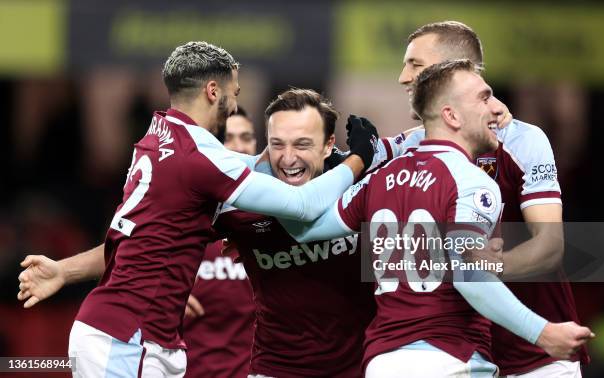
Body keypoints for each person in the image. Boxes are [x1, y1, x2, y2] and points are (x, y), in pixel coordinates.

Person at [17, 41, 378, 377]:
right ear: (212, 91)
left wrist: (64, 270)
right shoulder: (200, 158)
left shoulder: (156, 139)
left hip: (123, 332)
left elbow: (133, 239)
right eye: (234, 93)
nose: (235, 104)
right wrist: (360, 156)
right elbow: (302, 205)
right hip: (133, 337)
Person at [281, 60, 593, 377]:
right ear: (451, 116)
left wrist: (351, 164)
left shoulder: (380, 178)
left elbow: (305, 227)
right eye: (484, 99)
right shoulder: (472, 182)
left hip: (384, 362)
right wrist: (543, 332)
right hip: (450, 359)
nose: (496, 109)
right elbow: (470, 277)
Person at [377, 21, 588, 376]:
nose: (402, 77)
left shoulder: (522, 141)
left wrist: (485, 266)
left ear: (457, 71)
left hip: (534, 357)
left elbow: (550, 246)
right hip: (456, 355)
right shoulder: (404, 149)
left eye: (414, 64)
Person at [214, 88, 377, 376]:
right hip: (276, 369)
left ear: (328, 145)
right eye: (277, 144)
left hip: (360, 367)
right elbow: (147, 241)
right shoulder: (238, 201)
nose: (288, 159)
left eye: (302, 144)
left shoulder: (365, 187)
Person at [183, 107, 256, 378]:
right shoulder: (183, 218)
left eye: (246, 137)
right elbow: (124, 265)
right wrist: (162, 292)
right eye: (229, 137)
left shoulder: (278, 220)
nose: (239, 146)